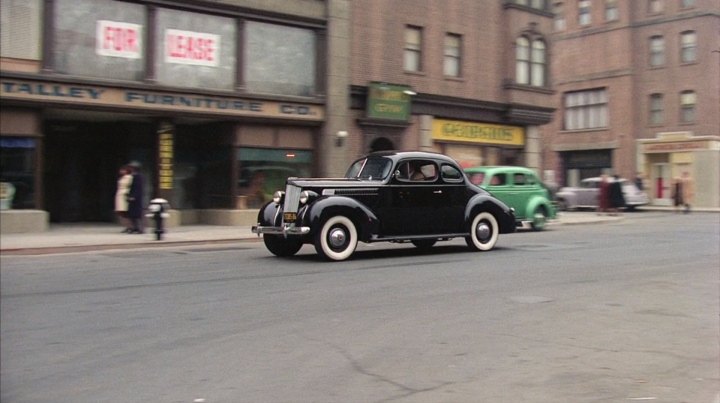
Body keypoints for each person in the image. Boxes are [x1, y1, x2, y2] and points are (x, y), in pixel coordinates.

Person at [126, 161, 145, 233]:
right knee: (132, 214)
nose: (130, 168)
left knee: (137, 214)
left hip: (136, 198)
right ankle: (135, 227)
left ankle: (140, 228)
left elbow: (138, 188)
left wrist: (133, 196)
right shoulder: (133, 176)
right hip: (132, 196)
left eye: (131, 167)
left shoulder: (138, 176)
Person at [114, 165, 133, 233]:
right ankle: (126, 226)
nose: (121, 171)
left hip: (125, 194)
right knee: (121, 212)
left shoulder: (129, 177)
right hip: (120, 194)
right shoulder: (122, 177)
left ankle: (130, 226)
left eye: (123, 170)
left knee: (125, 211)